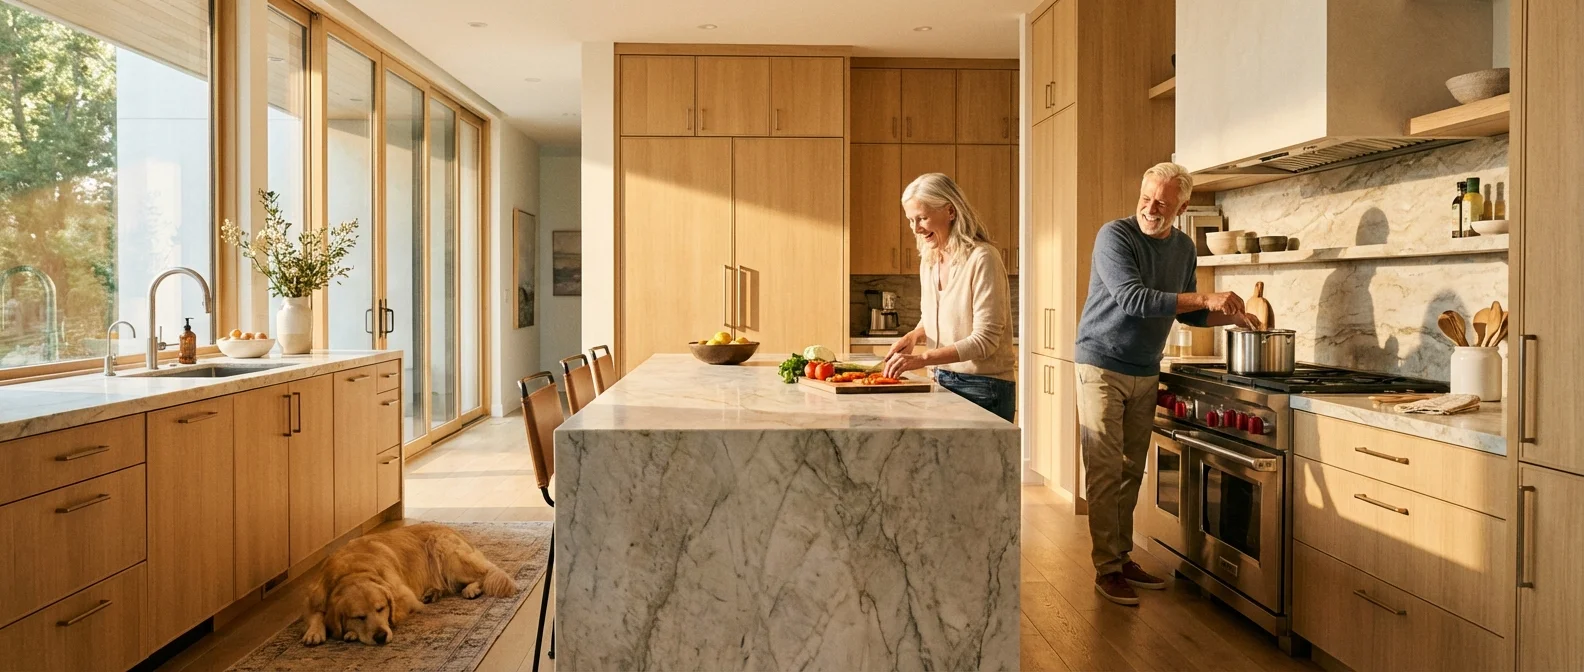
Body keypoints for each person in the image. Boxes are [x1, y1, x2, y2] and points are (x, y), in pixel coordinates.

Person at [1075, 162, 1256, 606]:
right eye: (1146, 198)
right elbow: (1133, 299)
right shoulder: (1115, 236)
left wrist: (1232, 316)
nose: (1151, 208)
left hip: (1145, 368)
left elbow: (1189, 314)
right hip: (1101, 364)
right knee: (1105, 470)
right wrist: (1206, 296)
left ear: (1182, 207)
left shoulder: (1183, 248)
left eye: (1162, 202)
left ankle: (1120, 556)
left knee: (1131, 469)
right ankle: (1106, 569)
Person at [882, 173, 1016, 422]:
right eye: (911, 220)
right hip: (939, 380)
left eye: (922, 218)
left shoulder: (983, 258)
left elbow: (985, 341)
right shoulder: (930, 260)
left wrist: (921, 359)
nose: (916, 228)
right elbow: (936, 317)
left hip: (983, 387)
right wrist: (914, 336)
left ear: (950, 211)